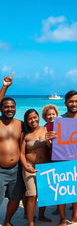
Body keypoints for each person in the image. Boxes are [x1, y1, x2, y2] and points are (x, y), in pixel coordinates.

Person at [47, 90, 77, 226]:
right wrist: (49, 139)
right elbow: (51, 142)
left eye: (76, 101)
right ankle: (63, 218)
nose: (74, 104)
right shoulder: (58, 121)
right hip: (61, 159)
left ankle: (75, 215)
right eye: (71, 101)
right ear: (65, 103)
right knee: (61, 188)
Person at [0, 76, 25, 226]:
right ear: (1, 108)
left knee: (15, 198)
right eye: (6, 106)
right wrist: (5, 87)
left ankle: (7, 221)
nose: (10, 109)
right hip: (0, 170)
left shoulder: (21, 124)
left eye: (12, 107)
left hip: (16, 169)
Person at [20, 109, 52, 226]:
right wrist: (26, 166)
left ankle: (42, 215)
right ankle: (31, 222)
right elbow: (22, 153)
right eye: (30, 119)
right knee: (32, 195)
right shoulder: (25, 134)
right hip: (29, 167)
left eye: (35, 117)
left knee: (44, 193)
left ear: (39, 117)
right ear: (26, 121)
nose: (33, 120)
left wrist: (49, 141)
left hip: (45, 167)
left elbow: (53, 147)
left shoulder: (46, 129)